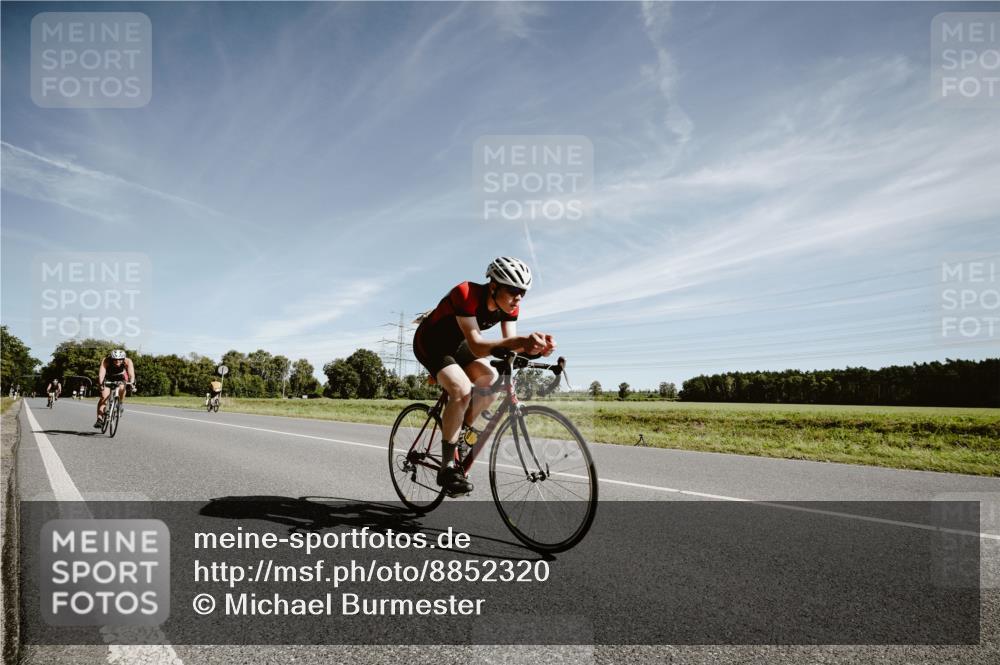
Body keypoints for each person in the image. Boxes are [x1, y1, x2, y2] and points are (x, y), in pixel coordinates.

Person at [412, 257, 555, 496]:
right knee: (461, 390)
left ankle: (460, 437)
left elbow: (509, 344)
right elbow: (478, 346)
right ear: (493, 286)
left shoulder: (511, 306)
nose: (518, 297)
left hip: (458, 344)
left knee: (490, 381)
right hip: (431, 342)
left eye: (523, 293)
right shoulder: (466, 293)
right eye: (513, 291)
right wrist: (522, 342)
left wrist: (535, 349)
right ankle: (447, 467)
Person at [95, 350, 137, 428]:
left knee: (122, 387)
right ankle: (99, 419)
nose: (117, 361)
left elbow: (131, 374)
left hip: (121, 377)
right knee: (104, 397)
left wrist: (132, 384)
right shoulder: (106, 360)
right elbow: (101, 374)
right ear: (111, 358)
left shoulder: (128, 361)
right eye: (115, 359)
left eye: (120, 359)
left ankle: (120, 403)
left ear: (123, 358)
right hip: (108, 378)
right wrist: (101, 384)